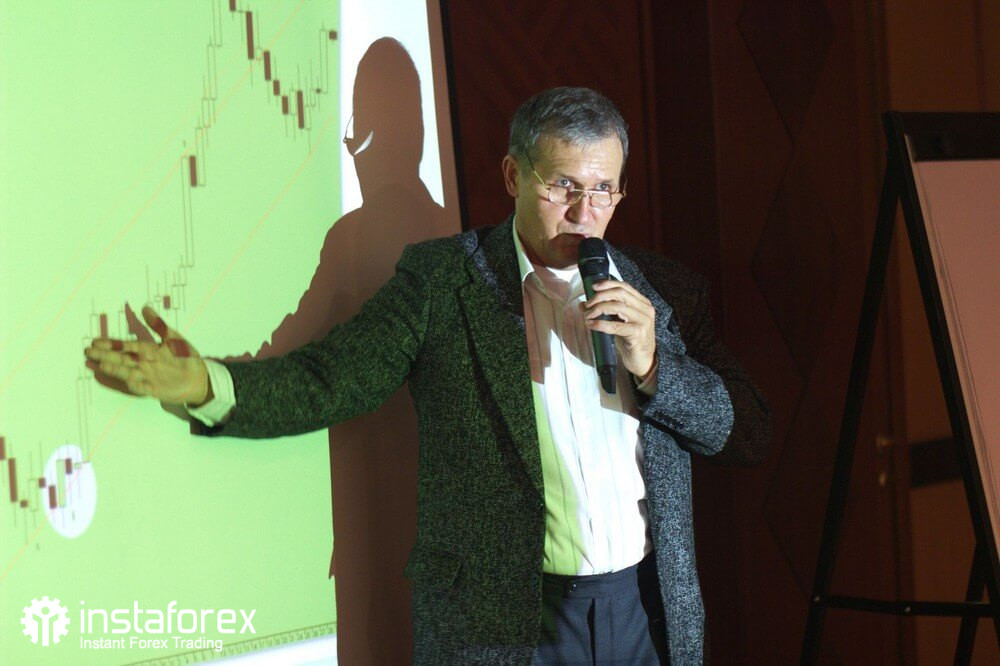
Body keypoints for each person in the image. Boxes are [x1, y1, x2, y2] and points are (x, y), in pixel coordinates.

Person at [85, 86, 770, 665]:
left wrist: (655, 367)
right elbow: (335, 377)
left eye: (602, 189)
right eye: (563, 185)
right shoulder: (443, 282)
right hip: (505, 622)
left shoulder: (664, 292)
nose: (584, 211)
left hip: (643, 612)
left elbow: (746, 433)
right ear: (514, 176)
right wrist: (209, 387)